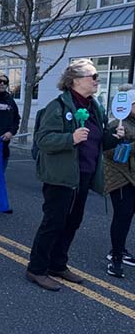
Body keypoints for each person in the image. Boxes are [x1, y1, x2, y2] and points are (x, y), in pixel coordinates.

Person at [26, 59, 124, 291]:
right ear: (76, 80)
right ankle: (37, 269)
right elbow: (43, 139)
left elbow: (98, 141)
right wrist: (69, 138)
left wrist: (114, 136)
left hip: (84, 176)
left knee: (73, 222)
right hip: (60, 177)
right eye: (94, 77)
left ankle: (58, 264)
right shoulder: (58, 106)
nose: (97, 81)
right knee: (54, 222)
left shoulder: (94, 107)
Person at [103, 85, 135, 278]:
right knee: (122, 217)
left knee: (128, 217)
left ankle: (121, 250)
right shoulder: (117, 124)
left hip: (132, 177)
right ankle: (115, 259)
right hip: (120, 178)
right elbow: (108, 152)